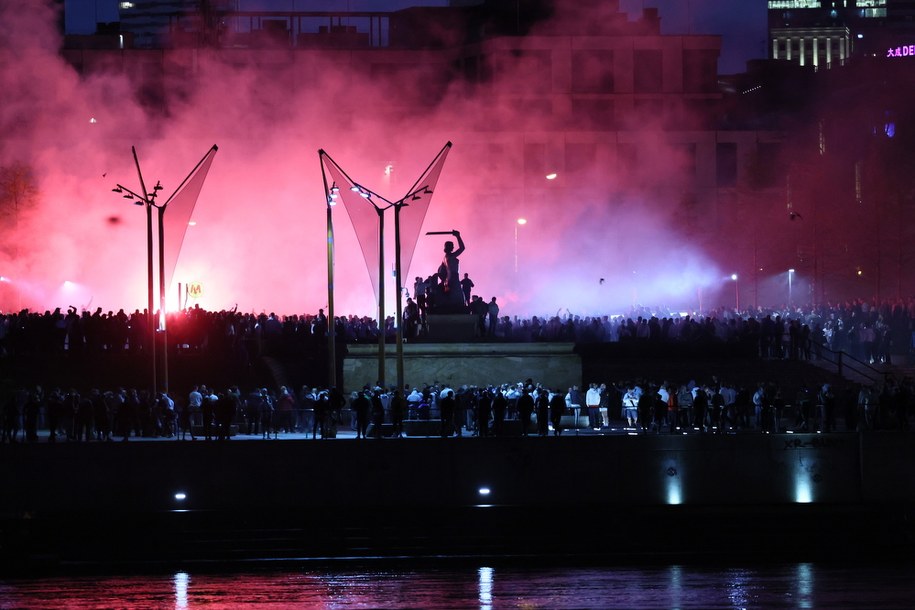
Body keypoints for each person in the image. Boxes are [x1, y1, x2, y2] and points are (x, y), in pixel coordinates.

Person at [438, 230, 466, 303]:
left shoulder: (445, 258)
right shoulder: (450, 256)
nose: (453, 247)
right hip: (453, 277)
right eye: (452, 246)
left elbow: (440, 270)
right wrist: (458, 236)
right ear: (449, 247)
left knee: (453, 296)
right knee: (457, 297)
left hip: (449, 278)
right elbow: (462, 248)